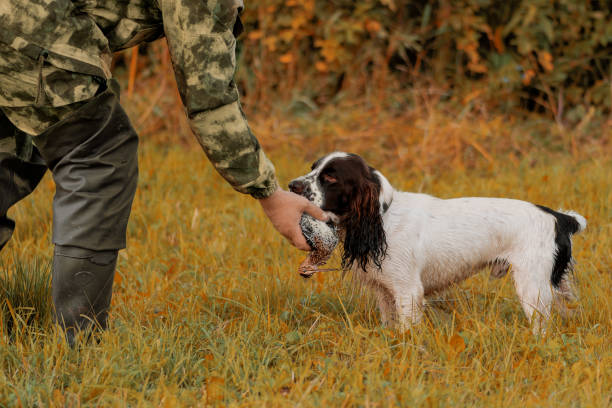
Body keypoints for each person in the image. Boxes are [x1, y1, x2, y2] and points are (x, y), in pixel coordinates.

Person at [0, 0, 328, 344]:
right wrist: (268, 193)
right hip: (26, 26)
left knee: (12, 149)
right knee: (99, 156)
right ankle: (78, 347)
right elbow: (209, 97)